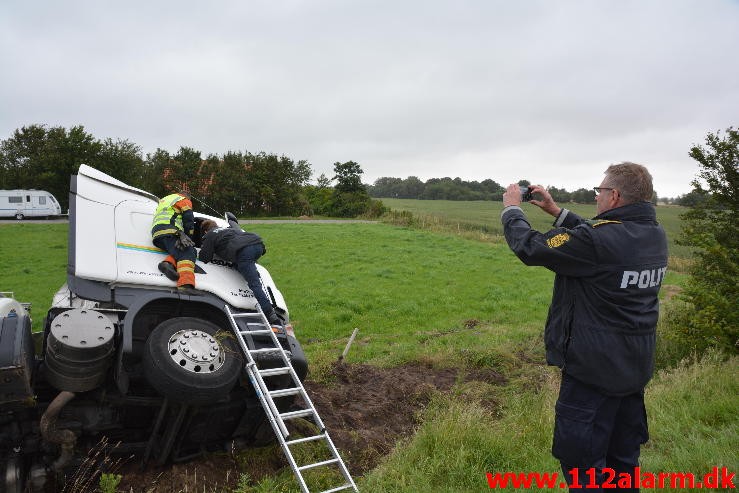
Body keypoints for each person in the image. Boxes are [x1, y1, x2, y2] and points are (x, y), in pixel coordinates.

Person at [500, 162, 668, 492]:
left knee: (583, 469)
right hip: (632, 369)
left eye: (600, 191)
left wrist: (511, 210)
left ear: (615, 195)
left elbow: (531, 247)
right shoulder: (653, 235)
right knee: (623, 464)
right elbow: (599, 238)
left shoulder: (599, 242)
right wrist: (555, 211)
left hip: (592, 372)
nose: (596, 197)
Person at [198, 219, 283, 325]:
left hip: (245, 251)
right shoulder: (228, 230)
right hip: (258, 245)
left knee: (254, 284)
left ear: (205, 231)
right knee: (240, 266)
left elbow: (204, 257)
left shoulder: (210, 234)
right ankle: (253, 274)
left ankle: (270, 314)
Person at [151, 191, 198, 291]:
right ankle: (185, 285)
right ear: (188, 197)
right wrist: (188, 237)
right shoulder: (184, 200)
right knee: (187, 251)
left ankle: (167, 264)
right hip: (171, 229)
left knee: (181, 250)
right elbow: (188, 219)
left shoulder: (166, 199)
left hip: (158, 233)